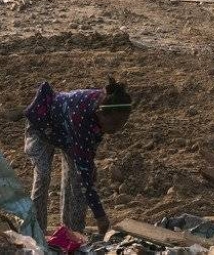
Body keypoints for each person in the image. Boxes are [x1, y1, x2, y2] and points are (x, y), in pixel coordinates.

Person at [22, 77, 134, 235]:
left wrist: (88, 167)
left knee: (77, 178)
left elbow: (85, 163)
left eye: (122, 124)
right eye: (114, 124)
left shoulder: (107, 103)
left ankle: (72, 233)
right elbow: (85, 176)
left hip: (66, 133)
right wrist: (100, 216)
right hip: (42, 125)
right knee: (44, 175)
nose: (117, 129)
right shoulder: (83, 117)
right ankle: (36, 232)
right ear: (100, 114)